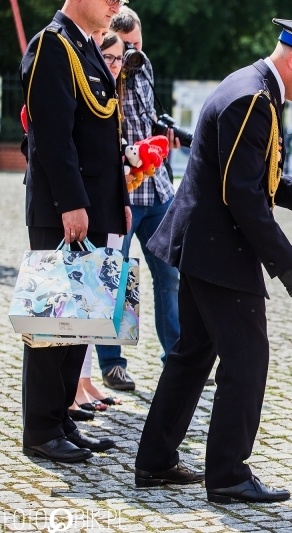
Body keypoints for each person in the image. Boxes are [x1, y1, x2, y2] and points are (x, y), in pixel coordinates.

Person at [134, 18, 292, 504]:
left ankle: (155, 460)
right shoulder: (254, 98)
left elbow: (260, 178)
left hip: (206, 244)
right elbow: (243, 196)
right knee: (246, 363)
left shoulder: (254, 88)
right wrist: (286, 262)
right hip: (219, 250)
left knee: (191, 358)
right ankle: (229, 476)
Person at [19, 0, 129, 462]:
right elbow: (52, 136)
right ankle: (41, 430)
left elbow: (107, 134)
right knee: (52, 326)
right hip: (64, 211)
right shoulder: (52, 45)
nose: (115, 6)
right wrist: (72, 204)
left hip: (92, 209)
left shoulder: (85, 48)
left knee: (79, 321)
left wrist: (118, 200)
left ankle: (62, 417)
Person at [94, 6, 181, 393]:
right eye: (126, 47)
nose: (134, 54)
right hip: (122, 194)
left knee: (169, 277)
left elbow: (147, 118)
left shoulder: (141, 67)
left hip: (158, 188)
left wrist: (164, 135)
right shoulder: (101, 69)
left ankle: (177, 356)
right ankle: (112, 364)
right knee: (114, 279)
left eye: (138, 46)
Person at [71, 30, 127, 416]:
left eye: (121, 58)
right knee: (80, 299)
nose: (115, 65)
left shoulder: (112, 86)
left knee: (98, 298)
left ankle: (84, 379)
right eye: (109, 57)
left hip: (108, 201)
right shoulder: (80, 72)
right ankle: (73, 385)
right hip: (84, 203)